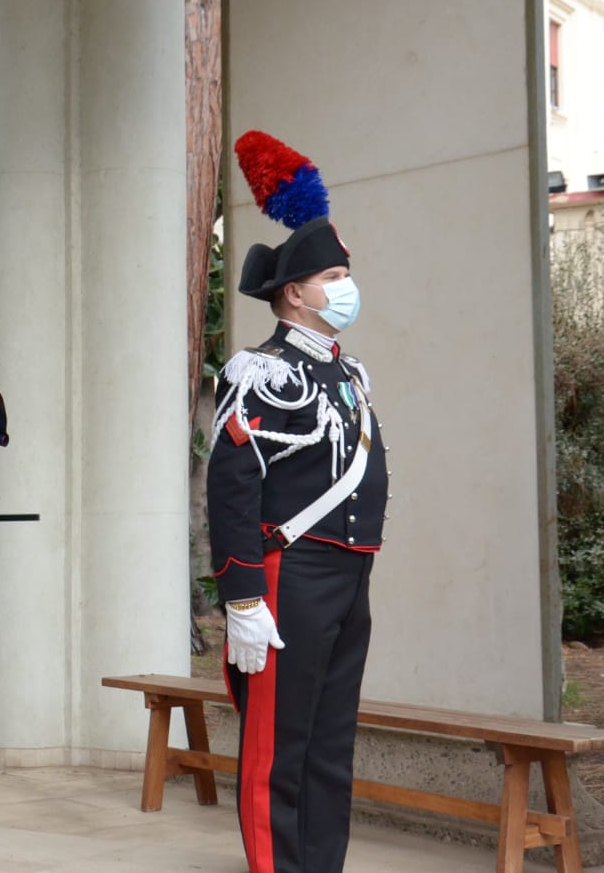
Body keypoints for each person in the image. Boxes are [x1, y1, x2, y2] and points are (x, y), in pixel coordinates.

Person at [205, 130, 390, 873]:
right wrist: (243, 598)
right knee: (276, 752)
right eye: (334, 275)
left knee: (328, 747)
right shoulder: (260, 371)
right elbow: (231, 487)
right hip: (290, 577)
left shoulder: (350, 375)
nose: (345, 286)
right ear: (295, 292)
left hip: (349, 577)